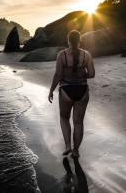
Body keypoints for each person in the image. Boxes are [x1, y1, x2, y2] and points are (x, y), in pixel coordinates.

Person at [48, 30, 95, 158]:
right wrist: (80, 75)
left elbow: (58, 75)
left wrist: (51, 90)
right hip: (82, 91)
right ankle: (75, 151)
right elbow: (91, 74)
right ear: (80, 40)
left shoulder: (62, 54)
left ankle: (68, 146)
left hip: (66, 91)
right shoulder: (86, 55)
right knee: (78, 123)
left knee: (64, 118)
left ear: (68, 40)